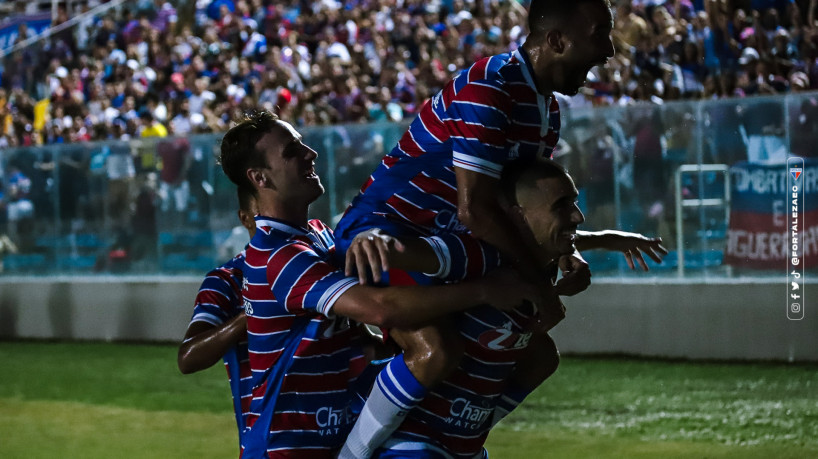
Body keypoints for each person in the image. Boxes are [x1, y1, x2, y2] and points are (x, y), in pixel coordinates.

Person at [337, 1, 666, 456]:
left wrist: (566, 251)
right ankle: (351, 453)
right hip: (388, 238)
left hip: (459, 247)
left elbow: (527, 208)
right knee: (436, 349)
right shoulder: (488, 88)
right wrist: (541, 288)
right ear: (555, 40)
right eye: (598, 33)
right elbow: (477, 209)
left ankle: (458, 440)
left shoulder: (545, 110)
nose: (609, 49)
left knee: (536, 356)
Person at [217, 111, 539, 457]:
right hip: (286, 448)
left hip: (325, 434)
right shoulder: (278, 256)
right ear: (260, 178)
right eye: (291, 151)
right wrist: (484, 290)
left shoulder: (319, 237)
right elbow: (380, 308)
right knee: (434, 352)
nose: (310, 153)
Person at [373, 159, 587, 457]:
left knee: (544, 356)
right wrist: (369, 238)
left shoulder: (547, 263)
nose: (578, 216)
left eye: (574, 203)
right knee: (437, 352)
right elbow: (397, 254)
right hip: (413, 442)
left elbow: (578, 238)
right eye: (562, 206)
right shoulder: (478, 257)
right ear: (518, 217)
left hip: (462, 446)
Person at [177, 186, 258, 450]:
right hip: (268, 444)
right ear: (245, 218)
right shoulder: (227, 280)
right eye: (265, 211)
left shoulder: (318, 261)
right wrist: (251, 314)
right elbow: (187, 358)